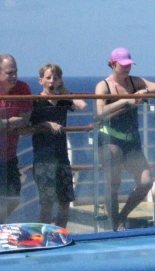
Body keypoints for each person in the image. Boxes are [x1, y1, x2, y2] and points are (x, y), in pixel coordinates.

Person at [95, 47, 155, 230]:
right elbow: (100, 112)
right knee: (114, 182)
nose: (127, 68)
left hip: (131, 140)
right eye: (123, 65)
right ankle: (115, 222)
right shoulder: (103, 86)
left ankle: (122, 215)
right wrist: (125, 100)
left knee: (146, 181)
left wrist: (145, 92)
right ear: (113, 64)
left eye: (129, 65)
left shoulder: (135, 82)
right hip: (109, 139)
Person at [30, 63, 87, 227]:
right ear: (41, 80)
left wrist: (63, 90)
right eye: (48, 78)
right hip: (44, 159)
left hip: (61, 157)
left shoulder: (63, 100)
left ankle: (60, 233)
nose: (51, 81)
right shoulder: (36, 102)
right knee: (47, 204)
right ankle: (42, 236)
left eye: (55, 78)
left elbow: (82, 105)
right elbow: (28, 126)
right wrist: (46, 124)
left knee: (65, 202)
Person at [0, 54, 32, 223]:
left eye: (15, 72)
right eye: (9, 73)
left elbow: (25, 119)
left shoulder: (22, 88)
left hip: (9, 155)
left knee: (13, 197)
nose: (14, 76)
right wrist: (11, 122)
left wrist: (4, 123)